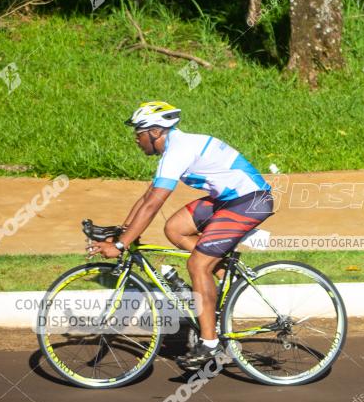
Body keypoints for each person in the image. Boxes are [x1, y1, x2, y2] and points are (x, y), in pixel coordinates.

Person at [89, 101, 274, 366]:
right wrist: (122, 231)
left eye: (139, 133)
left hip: (250, 201)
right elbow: (148, 197)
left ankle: (210, 345)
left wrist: (119, 246)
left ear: (155, 132)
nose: (136, 139)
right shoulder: (174, 148)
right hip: (230, 199)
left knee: (197, 264)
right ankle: (221, 276)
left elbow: (154, 205)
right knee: (174, 228)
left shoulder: (178, 150)